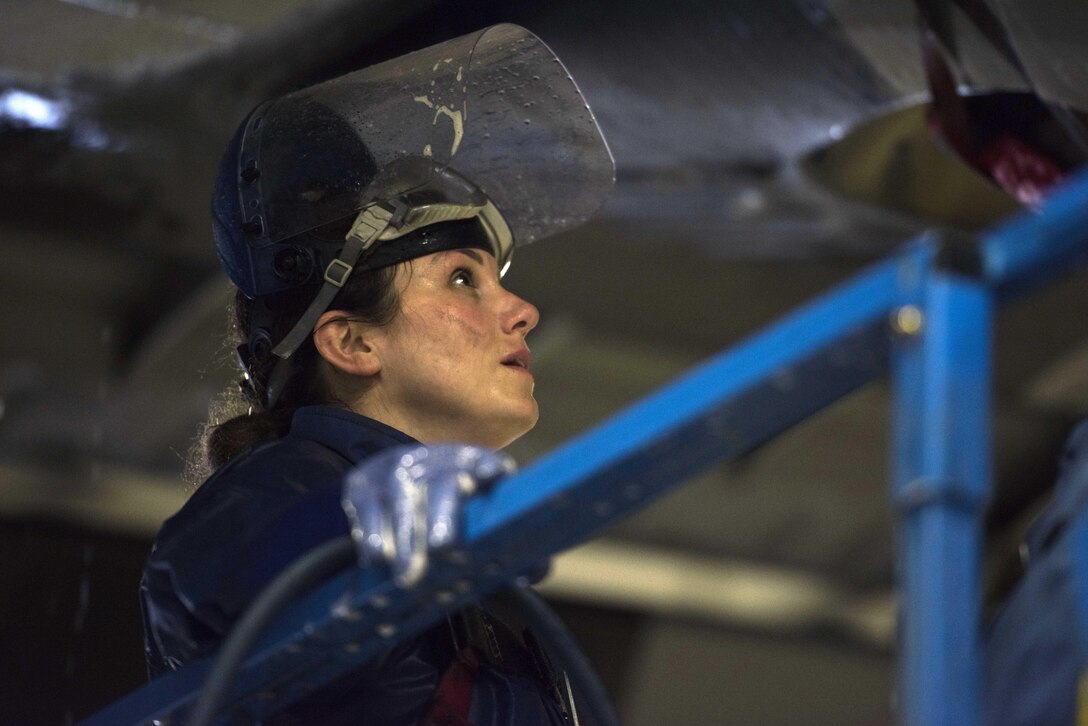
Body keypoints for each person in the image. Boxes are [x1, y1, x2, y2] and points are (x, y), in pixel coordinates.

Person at [138, 24, 615, 725]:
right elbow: (240, 577)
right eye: (460, 279)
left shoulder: (450, 572)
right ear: (353, 342)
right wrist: (354, 522)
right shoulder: (277, 492)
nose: (523, 311)